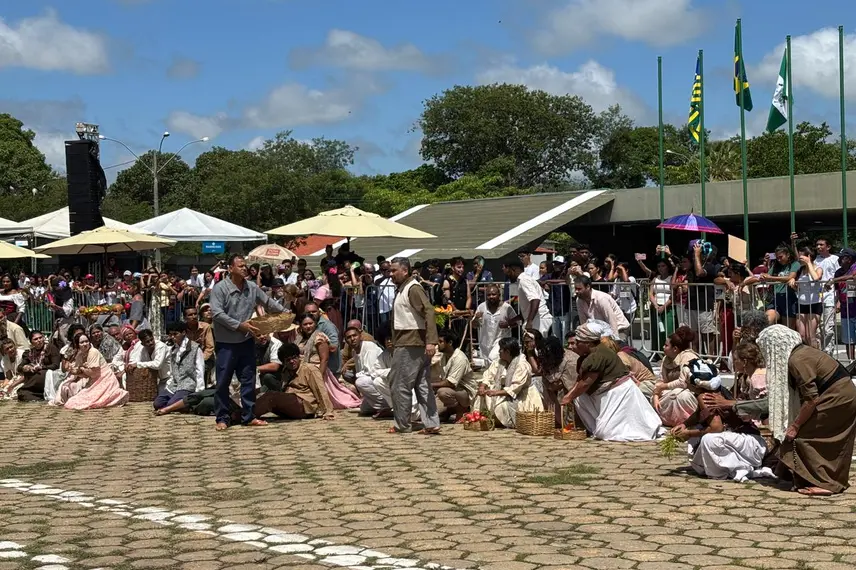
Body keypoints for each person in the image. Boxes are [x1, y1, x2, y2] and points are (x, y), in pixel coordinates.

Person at [757, 325, 856, 496]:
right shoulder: (801, 353)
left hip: (838, 397)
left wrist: (794, 426)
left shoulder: (797, 359)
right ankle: (809, 477)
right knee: (813, 437)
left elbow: (811, 399)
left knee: (803, 437)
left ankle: (826, 483)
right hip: (841, 393)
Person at [210, 254, 284, 430]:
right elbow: (217, 313)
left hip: (246, 342)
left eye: (245, 266)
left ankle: (249, 415)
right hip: (226, 343)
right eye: (241, 266)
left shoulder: (251, 287)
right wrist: (239, 326)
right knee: (222, 382)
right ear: (230, 268)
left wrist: (286, 312)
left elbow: (268, 303)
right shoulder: (220, 288)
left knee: (248, 379)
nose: (245, 268)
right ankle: (222, 417)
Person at [561, 323, 661, 441]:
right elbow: (580, 381)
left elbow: (586, 383)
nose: (573, 346)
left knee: (607, 432)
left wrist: (568, 397)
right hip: (606, 394)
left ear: (587, 343)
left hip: (619, 394)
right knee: (580, 398)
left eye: (577, 343)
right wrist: (571, 395)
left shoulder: (598, 355)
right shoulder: (588, 355)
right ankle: (594, 428)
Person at [687, 341, 770, 482]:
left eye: (735, 360)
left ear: (744, 362)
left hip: (761, 435)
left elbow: (764, 408)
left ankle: (736, 466)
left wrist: (731, 405)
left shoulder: (757, 378)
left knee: (709, 440)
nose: (733, 363)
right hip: (750, 430)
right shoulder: (746, 377)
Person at [387, 256, 441, 435]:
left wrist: (431, 340)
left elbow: (429, 311)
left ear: (405, 270)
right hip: (411, 342)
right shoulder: (404, 289)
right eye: (390, 270)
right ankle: (431, 423)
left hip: (409, 343)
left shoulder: (412, 288)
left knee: (400, 383)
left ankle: (402, 424)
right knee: (422, 384)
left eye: (394, 270)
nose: (391, 274)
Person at [253, 342, 335, 420]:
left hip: (303, 405)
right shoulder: (285, 371)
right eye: (288, 360)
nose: (292, 362)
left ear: (298, 357)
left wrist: (328, 411)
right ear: (284, 362)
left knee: (270, 396)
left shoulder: (309, 369)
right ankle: (245, 413)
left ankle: (247, 417)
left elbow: (320, 390)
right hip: (290, 402)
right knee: (265, 397)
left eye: (294, 358)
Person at [296, 313, 362, 409]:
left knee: (335, 399)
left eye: (310, 323)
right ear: (301, 326)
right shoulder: (300, 338)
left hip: (317, 370)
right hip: (303, 371)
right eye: (305, 324)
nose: (308, 326)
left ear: (315, 323)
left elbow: (324, 359)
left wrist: (319, 376)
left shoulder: (320, 337)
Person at [476, 337, 543, 428]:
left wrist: (495, 393)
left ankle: (502, 420)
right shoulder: (500, 362)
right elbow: (488, 374)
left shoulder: (522, 365)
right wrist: (482, 387)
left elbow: (515, 388)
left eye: (501, 350)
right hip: (502, 392)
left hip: (520, 396)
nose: (499, 352)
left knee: (501, 407)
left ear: (507, 352)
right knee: (481, 396)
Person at [53, 332, 129, 410]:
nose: (85, 344)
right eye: (82, 342)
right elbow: (81, 373)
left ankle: (115, 396)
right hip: (94, 381)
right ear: (77, 345)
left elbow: (93, 374)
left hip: (105, 380)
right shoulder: (80, 355)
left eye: (86, 341)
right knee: (72, 402)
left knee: (77, 403)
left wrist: (82, 368)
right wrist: (71, 370)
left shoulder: (93, 352)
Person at [653, 327, 701, 427]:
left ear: (674, 349)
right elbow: (661, 380)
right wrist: (656, 395)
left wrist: (662, 387)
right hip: (670, 391)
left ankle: (685, 420)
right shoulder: (666, 359)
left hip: (690, 392)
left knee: (678, 395)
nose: (663, 347)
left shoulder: (688, 357)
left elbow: (682, 383)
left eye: (666, 345)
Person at [151, 322, 205, 411]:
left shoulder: (195, 348)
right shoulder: (173, 349)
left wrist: (199, 392)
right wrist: (168, 386)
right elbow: (173, 371)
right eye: (170, 334)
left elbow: (200, 370)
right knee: (157, 403)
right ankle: (179, 406)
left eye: (175, 334)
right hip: (175, 385)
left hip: (188, 385)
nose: (172, 337)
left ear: (183, 333)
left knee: (171, 404)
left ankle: (182, 405)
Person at [432, 330, 477, 421]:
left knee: (443, 392)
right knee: (430, 413)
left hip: (465, 392)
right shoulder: (444, 356)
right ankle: (450, 410)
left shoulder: (459, 358)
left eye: (441, 342)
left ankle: (463, 411)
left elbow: (451, 383)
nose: (438, 344)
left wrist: (430, 385)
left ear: (450, 343)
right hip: (454, 391)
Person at [343, 326, 386, 416]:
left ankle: (388, 406)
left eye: (354, 336)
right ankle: (381, 405)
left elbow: (373, 373)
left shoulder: (370, 348)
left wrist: (356, 378)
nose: (352, 339)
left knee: (360, 382)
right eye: (349, 337)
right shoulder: (355, 352)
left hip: (382, 380)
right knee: (364, 410)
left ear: (360, 336)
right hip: (371, 381)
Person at [504, 260, 552, 337]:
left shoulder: (524, 280)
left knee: (536, 347)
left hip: (538, 320)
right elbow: (526, 311)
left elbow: (535, 300)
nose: (508, 276)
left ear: (514, 270)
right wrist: (510, 322)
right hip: (536, 319)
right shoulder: (522, 281)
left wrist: (529, 322)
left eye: (509, 272)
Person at [574, 275, 630, 340]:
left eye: (579, 289)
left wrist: (615, 341)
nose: (576, 291)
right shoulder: (579, 300)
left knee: (614, 348)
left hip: (619, 328)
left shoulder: (601, 298)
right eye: (575, 289)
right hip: (601, 330)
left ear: (588, 287)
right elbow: (583, 323)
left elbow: (611, 320)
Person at [472, 284, 516, 365]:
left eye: (493, 294)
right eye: (489, 295)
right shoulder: (481, 307)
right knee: (488, 365)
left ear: (499, 295)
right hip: (485, 343)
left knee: (492, 358)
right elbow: (474, 325)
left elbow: (516, 323)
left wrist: (507, 324)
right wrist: (476, 318)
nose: (491, 296)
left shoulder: (507, 308)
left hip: (501, 341)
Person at [16, 330, 61, 402]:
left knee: (23, 391)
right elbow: (19, 367)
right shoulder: (30, 353)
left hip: (48, 376)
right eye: (35, 339)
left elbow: (55, 365)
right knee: (23, 394)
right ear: (31, 342)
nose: (39, 340)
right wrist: (25, 368)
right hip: (35, 378)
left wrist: (42, 367)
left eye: (40, 338)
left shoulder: (51, 348)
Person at [813, 237, 839, 355]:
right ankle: (820, 353)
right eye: (817, 245)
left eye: (821, 245)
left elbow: (839, 277)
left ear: (828, 247)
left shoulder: (835, 259)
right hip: (816, 297)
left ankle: (828, 354)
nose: (818, 247)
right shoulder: (815, 260)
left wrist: (838, 300)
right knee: (817, 329)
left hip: (830, 297)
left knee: (828, 328)